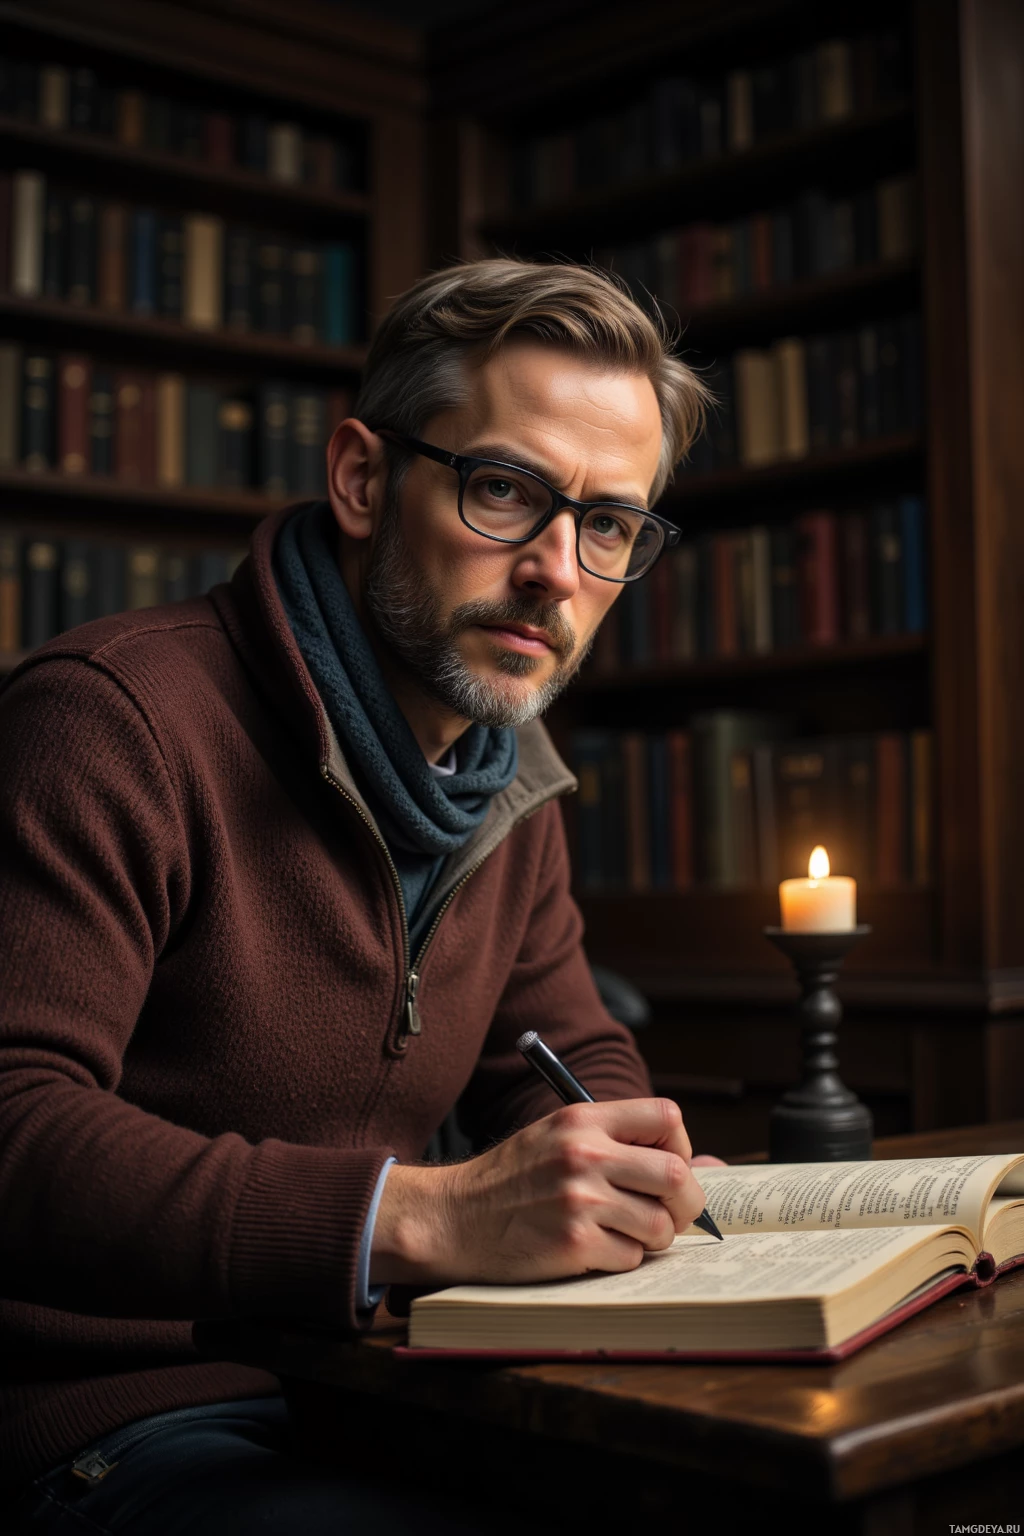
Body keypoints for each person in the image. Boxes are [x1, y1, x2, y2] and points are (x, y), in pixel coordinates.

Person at [0, 259, 715, 1532]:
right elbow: (14, 1130)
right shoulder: (108, 722)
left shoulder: (507, 774)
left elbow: (560, 1055)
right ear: (362, 479)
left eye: (607, 523)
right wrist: (413, 1216)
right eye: (505, 489)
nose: (557, 568)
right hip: (107, 1417)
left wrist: (632, 1173)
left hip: (388, 1387)